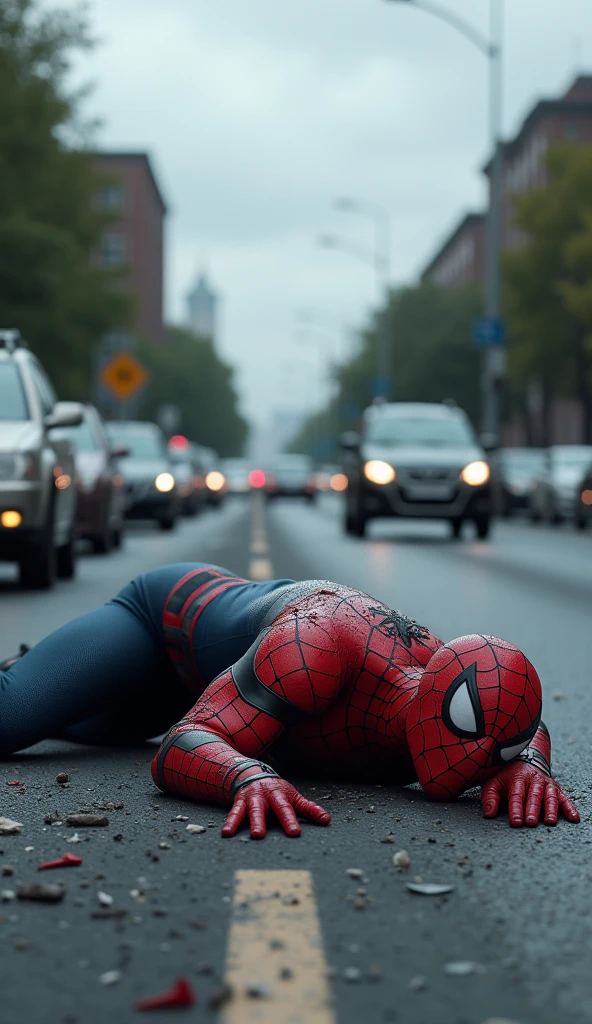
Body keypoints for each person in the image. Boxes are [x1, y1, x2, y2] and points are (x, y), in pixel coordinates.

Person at [0, 562, 579, 838]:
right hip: (165, 635)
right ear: (437, 696)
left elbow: (514, 709)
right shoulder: (318, 647)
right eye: (474, 737)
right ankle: (36, 669)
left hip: (215, 694)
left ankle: (40, 664)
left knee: (77, 719)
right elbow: (181, 744)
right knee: (13, 716)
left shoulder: (474, 699)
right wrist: (248, 777)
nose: (478, 761)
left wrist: (529, 763)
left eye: (497, 750)